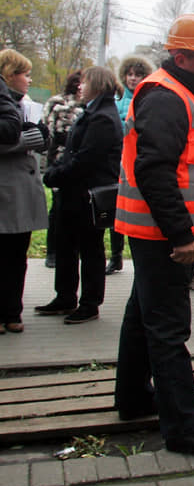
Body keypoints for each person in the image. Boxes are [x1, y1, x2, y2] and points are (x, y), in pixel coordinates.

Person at [113, 14, 194, 457]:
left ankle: (131, 400)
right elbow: (154, 170)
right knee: (169, 328)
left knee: (142, 316)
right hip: (163, 235)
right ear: (181, 55)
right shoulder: (168, 96)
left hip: (155, 232)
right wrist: (180, 235)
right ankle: (185, 429)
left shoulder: (180, 93)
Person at [37, 66, 124, 324]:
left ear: (96, 84)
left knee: (90, 249)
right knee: (66, 245)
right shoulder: (93, 112)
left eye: (84, 83)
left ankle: (89, 303)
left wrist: (55, 174)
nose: (79, 87)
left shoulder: (103, 118)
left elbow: (86, 159)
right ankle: (64, 297)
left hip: (87, 195)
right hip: (74, 193)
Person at [0, 49, 50, 334]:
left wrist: (42, 136)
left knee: (17, 255)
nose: (29, 81)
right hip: (6, 192)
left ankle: (12, 311)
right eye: (25, 74)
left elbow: (42, 137)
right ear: (10, 74)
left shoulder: (25, 103)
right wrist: (26, 139)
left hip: (20, 192)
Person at [107, 56, 156, 276]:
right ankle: (116, 256)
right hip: (118, 162)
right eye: (130, 74)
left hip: (138, 163)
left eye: (138, 75)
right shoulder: (117, 102)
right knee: (116, 211)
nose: (133, 79)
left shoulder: (149, 100)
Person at [41, 70, 84, 269]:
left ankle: (71, 252)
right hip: (59, 162)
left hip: (80, 167)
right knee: (57, 209)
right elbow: (46, 133)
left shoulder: (90, 107)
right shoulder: (57, 104)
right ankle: (52, 252)